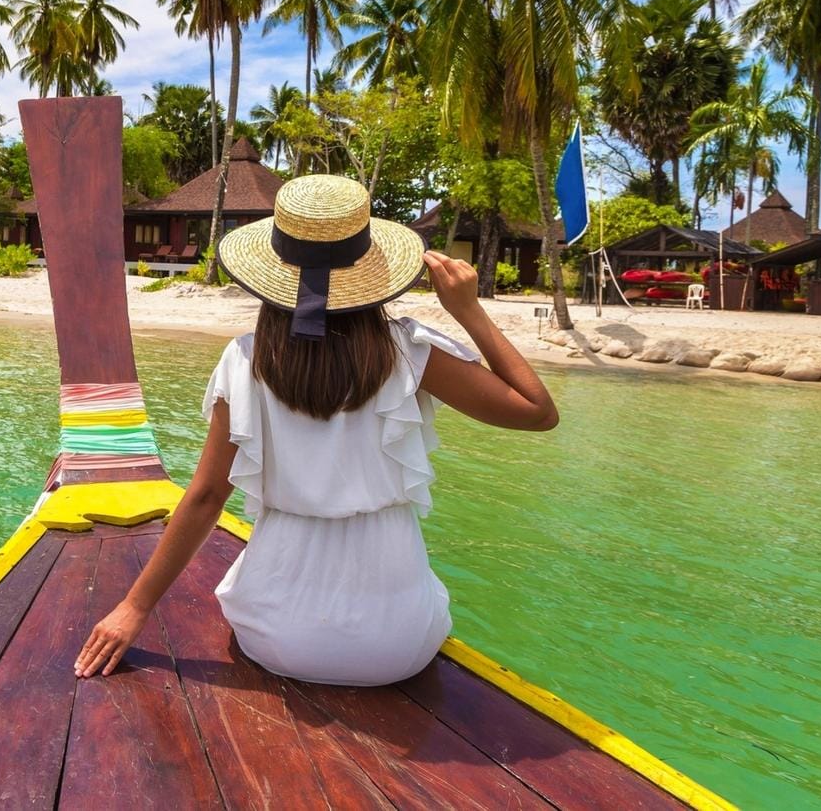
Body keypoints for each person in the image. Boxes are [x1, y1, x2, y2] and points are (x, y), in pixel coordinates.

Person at [75, 174, 558, 685]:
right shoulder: (411, 353)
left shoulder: (246, 359)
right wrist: (469, 311)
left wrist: (134, 607)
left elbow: (206, 497)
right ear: (371, 269)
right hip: (398, 645)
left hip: (278, 635)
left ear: (272, 273)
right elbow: (538, 412)